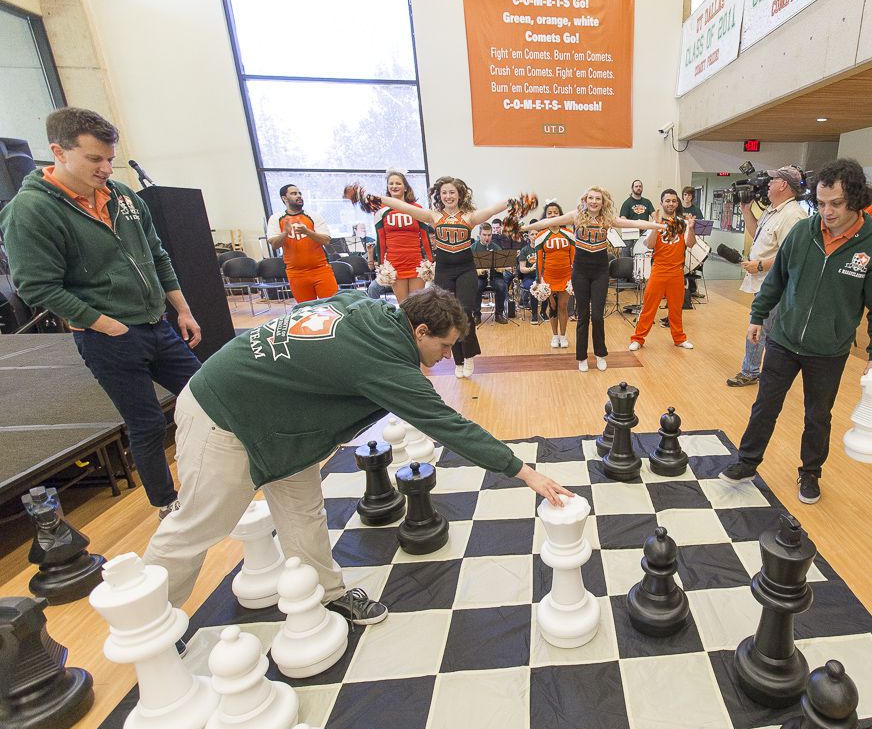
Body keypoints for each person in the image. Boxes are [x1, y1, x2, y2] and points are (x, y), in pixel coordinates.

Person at [142, 286, 572, 620]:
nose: (445, 358)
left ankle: (327, 597)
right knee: (200, 524)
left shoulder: (367, 305)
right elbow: (449, 426)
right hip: (225, 413)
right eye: (443, 347)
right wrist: (526, 473)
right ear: (419, 331)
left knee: (303, 512)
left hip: (283, 426)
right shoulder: (386, 362)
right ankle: (151, 622)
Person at [0, 106, 202, 520]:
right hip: (107, 338)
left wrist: (182, 309)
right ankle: (167, 504)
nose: (106, 167)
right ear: (59, 152)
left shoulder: (124, 196)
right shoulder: (31, 210)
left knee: (207, 396)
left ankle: (218, 476)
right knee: (145, 424)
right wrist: (107, 325)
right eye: (95, 159)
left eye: (110, 158)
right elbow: (37, 286)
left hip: (157, 324)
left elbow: (157, 255)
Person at [720, 158, 872, 505]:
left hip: (828, 350)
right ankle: (747, 461)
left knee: (817, 416)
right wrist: (757, 316)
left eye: (836, 204)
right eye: (820, 203)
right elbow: (776, 279)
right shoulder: (803, 233)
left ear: (856, 200)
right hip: (784, 339)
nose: (826, 212)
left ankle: (810, 472)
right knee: (765, 405)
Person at [358, 176, 516, 378]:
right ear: (439, 196)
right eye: (444, 193)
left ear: (460, 194)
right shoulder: (433, 217)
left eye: (452, 192)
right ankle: (457, 360)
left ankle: (468, 355)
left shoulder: (469, 217)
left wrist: (514, 201)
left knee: (465, 312)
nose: (448, 196)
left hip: (466, 269)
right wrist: (379, 198)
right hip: (444, 270)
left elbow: (493, 209)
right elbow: (403, 206)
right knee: (449, 315)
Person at [526, 188, 664, 372]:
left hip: (600, 272)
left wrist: (657, 226)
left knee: (598, 316)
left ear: (603, 201)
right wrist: (526, 227)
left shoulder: (607, 219)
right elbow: (550, 221)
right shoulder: (576, 216)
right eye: (590, 198)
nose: (594, 201)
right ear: (585, 200)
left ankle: (600, 354)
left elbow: (633, 222)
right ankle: (582, 357)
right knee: (583, 316)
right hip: (580, 272)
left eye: (597, 198)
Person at [726, 166, 809, 387]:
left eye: (772, 181)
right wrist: (746, 210)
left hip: (775, 285)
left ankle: (755, 372)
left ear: (783, 185)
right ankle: (756, 371)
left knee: (765, 331)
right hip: (763, 282)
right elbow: (757, 235)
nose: (767, 185)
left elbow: (791, 255)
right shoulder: (773, 211)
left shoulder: (793, 216)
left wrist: (761, 265)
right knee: (760, 329)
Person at [629, 189, 695, 351]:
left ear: (677, 203)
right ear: (662, 203)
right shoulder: (656, 222)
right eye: (667, 201)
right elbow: (650, 245)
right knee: (648, 308)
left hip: (676, 272)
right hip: (659, 270)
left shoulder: (682, 223)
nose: (670, 203)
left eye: (673, 201)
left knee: (675, 309)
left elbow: (691, 244)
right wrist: (654, 226)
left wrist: (692, 228)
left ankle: (679, 338)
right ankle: (638, 338)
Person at [267, 184, 336, 303]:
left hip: (321, 269)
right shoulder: (276, 218)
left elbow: (326, 240)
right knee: (305, 310)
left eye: (299, 193)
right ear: (284, 198)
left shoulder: (313, 216)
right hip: (296, 273)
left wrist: (307, 232)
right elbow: (274, 245)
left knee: (332, 306)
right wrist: (285, 233)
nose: (299, 196)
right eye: (294, 194)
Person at [372, 169, 431, 300]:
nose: (394, 186)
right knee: (403, 305)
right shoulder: (381, 210)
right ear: (387, 187)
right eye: (391, 183)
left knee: (417, 304)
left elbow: (425, 236)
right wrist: (381, 265)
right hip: (395, 264)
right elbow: (380, 240)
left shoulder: (417, 208)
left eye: (398, 183)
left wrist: (431, 261)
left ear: (405, 187)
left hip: (416, 262)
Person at [532, 202, 574, 346]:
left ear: (560, 215)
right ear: (546, 216)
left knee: (563, 305)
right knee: (553, 306)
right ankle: (554, 336)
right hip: (549, 277)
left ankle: (563, 336)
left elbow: (574, 257)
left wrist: (574, 276)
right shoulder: (541, 235)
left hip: (566, 276)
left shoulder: (569, 234)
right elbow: (538, 260)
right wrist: (538, 279)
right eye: (549, 212)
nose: (553, 215)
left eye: (556, 212)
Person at [472, 222, 508, 324]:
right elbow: (469, 267)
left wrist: (498, 267)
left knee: (501, 286)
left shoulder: (496, 247)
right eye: (484, 235)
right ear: (479, 234)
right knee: (476, 286)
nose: (487, 238)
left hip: (495, 276)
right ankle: (476, 315)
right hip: (480, 277)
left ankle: (499, 314)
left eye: (489, 235)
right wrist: (480, 270)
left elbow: (502, 267)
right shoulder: (473, 248)